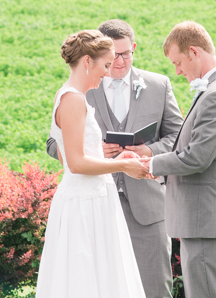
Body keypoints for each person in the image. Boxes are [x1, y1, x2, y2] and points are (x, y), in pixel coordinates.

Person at [46, 20, 183, 298]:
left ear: (133, 49)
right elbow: (60, 147)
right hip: (91, 204)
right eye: (108, 61)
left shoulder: (158, 85)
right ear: (90, 60)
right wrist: (107, 156)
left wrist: (147, 152)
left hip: (145, 207)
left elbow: (178, 137)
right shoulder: (77, 94)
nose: (113, 67)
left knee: (146, 288)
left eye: (124, 55)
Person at [36, 30, 149, 298]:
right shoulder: (73, 99)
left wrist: (117, 158)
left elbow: (77, 155)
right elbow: (74, 163)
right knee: (84, 277)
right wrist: (121, 167)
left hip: (91, 199)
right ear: (88, 61)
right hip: (84, 205)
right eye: (106, 65)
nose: (108, 72)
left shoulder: (69, 96)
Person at [148, 21, 216, 298]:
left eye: (178, 62)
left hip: (207, 219)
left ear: (194, 52)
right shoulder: (215, 88)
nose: (177, 71)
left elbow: (197, 157)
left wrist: (151, 164)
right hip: (205, 220)